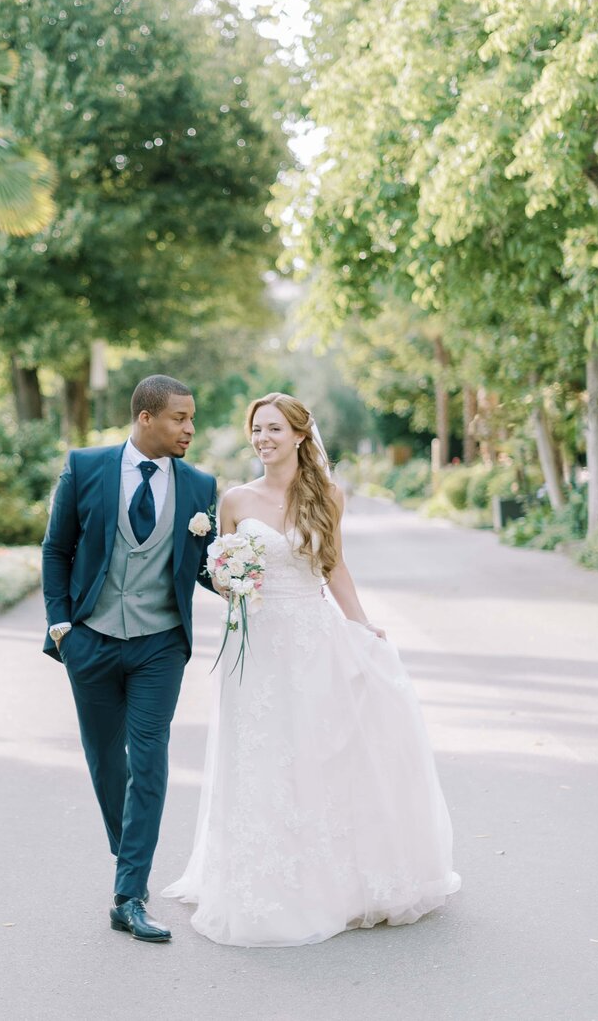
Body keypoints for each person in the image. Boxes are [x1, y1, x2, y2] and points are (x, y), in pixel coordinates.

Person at [163, 392, 460, 947]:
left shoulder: (326, 496)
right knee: (259, 756)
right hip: (256, 646)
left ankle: (331, 881)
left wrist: (361, 623)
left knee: (319, 753)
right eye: (257, 429)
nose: (263, 439)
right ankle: (258, 876)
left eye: (274, 428)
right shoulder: (233, 500)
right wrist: (230, 581)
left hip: (312, 638)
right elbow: (222, 574)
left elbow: (334, 565)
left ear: (300, 435)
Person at [41, 375, 217, 943]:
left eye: (192, 419)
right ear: (146, 418)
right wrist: (62, 626)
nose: (190, 428)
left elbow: (200, 564)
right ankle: (131, 858)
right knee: (104, 761)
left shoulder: (199, 485)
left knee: (150, 757)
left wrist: (246, 577)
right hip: (90, 639)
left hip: (160, 644)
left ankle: (129, 893)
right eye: (180, 419)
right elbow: (57, 548)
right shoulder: (86, 467)